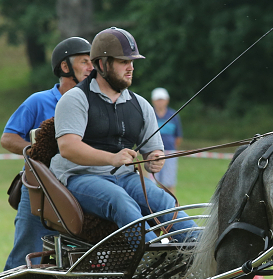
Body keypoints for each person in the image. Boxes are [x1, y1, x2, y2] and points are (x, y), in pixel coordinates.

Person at [50, 27, 197, 242]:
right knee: (120, 200)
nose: (131, 68)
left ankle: (204, 254)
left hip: (125, 177)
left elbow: (153, 150)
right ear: (101, 64)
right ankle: (150, 257)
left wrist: (155, 159)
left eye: (132, 61)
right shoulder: (75, 99)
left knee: (162, 200)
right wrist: (112, 158)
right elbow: (68, 147)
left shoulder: (141, 105)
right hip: (80, 177)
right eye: (123, 61)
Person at [2, 37, 94, 270]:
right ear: (65, 67)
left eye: (92, 62)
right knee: (25, 257)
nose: (91, 67)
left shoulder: (94, 104)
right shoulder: (38, 101)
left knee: (81, 259)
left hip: (78, 188)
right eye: (84, 62)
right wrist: (38, 151)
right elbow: (8, 138)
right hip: (38, 191)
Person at [149, 87, 183, 192]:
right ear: (153, 101)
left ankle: (172, 207)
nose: (160, 102)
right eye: (158, 100)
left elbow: (178, 137)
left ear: (167, 100)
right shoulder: (149, 114)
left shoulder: (173, 115)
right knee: (153, 183)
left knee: (169, 182)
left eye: (162, 99)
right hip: (152, 154)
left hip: (170, 153)